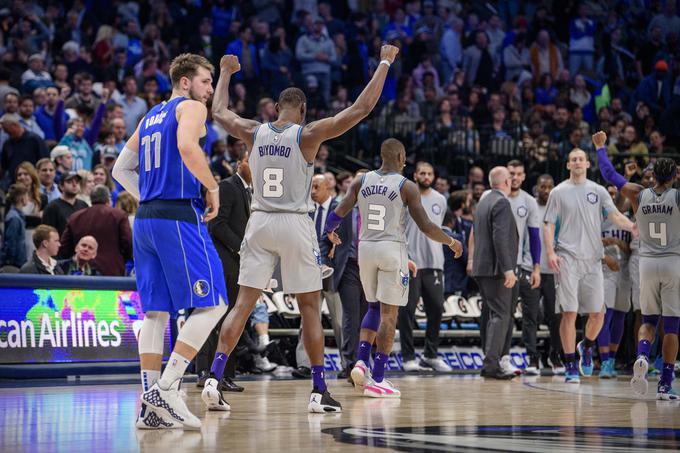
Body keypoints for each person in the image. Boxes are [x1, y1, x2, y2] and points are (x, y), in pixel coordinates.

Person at [202, 44, 399, 414]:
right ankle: (318, 390)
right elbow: (362, 108)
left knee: (243, 304)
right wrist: (385, 62)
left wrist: (226, 71)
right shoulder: (307, 135)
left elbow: (218, 111)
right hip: (293, 222)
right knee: (310, 307)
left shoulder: (253, 131)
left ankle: (213, 379)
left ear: (276, 108)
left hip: (258, 220)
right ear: (303, 110)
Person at [112, 53, 229, 430]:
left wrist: (148, 194)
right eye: (206, 82)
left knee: (156, 313)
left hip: (145, 219)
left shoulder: (149, 116)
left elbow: (119, 169)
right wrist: (212, 186)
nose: (209, 90)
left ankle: (150, 406)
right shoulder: (190, 108)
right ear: (185, 82)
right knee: (214, 304)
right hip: (177, 216)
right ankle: (167, 386)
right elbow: (186, 147)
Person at [325, 138, 462, 397]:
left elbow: (339, 210)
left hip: (365, 249)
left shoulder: (360, 181)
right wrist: (451, 241)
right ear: (400, 157)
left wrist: (328, 232)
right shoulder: (406, 185)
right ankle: (378, 378)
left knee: (373, 307)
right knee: (390, 315)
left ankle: (362, 362)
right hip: (391, 248)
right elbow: (426, 227)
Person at [594, 130, 679, 399]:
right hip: (672, 262)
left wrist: (600, 148)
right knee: (672, 327)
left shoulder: (637, 194)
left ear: (653, 176)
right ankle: (665, 381)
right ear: (675, 176)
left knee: (648, 320)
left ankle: (641, 354)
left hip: (646, 263)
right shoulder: (677, 197)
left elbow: (610, 175)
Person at [543, 147, 636, 384]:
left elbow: (615, 215)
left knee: (597, 315)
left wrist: (632, 227)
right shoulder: (558, 192)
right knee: (569, 313)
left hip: (594, 260)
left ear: (587, 164)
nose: (577, 162)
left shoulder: (597, 190)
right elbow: (548, 225)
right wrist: (551, 252)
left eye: (581, 159)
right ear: (568, 165)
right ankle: (571, 364)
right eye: (573, 159)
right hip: (567, 258)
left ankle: (586, 345)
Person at [195, 148, 253, 394]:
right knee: (219, 317)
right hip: (224, 260)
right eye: (251, 159)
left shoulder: (251, 191)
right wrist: (241, 248)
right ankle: (209, 373)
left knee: (232, 318)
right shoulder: (229, 186)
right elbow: (217, 225)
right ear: (239, 163)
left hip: (238, 262)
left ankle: (224, 375)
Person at [397, 161, 452, 372]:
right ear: (415, 175)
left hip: (435, 263)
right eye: (422, 173)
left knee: (437, 309)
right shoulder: (406, 196)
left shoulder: (440, 199)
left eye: (429, 173)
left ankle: (430, 355)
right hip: (411, 262)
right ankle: (408, 357)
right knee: (407, 311)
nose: (426, 176)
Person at [472, 167, 519, 380]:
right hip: (495, 269)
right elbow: (500, 239)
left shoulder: (483, 202)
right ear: (507, 182)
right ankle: (491, 364)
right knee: (501, 316)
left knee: (493, 316)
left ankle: (490, 361)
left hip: (482, 268)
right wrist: (508, 269)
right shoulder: (501, 202)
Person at [521, 174, 564, 374]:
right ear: (536, 188)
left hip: (554, 271)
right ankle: (532, 358)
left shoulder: (560, 211)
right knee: (530, 317)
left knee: (555, 317)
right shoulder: (530, 208)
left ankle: (555, 356)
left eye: (549, 186)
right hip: (531, 269)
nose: (546, 190)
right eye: (542, 187)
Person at [505, 159, 542, 376]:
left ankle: (532, 359)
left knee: (531, 315)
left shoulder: (529, 201)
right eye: (512, 173)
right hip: (503, 267)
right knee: (505, 314)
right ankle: (503, 356)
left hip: (525, 267)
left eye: (519, 173)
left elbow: (535, 237)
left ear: (524, 176)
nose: (515, 177)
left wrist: (536, 268)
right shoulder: (498, 199)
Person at [597, 186, 632, 379]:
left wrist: (619, 243)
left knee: (620, 316)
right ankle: (604, 362)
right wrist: (607, 245)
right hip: (605, 270)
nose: (612, 197)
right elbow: (590, 242)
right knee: (605, 316)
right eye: (609, 193)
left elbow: (632, 249)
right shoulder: (599, 218)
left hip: (625, 272)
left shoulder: (628, 221)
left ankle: (612, 358)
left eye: (615, 193)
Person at [59, 185, 132, 276]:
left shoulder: (76, 217)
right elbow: (128, 243)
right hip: (112, 271)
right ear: (108, 199)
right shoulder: (119, 215)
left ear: (91, 198)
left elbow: (65, 248)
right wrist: (120, 259)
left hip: (81, 273)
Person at [41, 171, 88, 236]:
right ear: (61, 186)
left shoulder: (83, 205)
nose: (74, 184)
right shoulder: (52, 207)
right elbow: (46, 234)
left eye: (77, 182)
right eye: (69, 182)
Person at [0, 184, 29, 270]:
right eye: (27, 195)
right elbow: (11, 243)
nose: (28, 198)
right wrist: (10, 262)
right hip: (14, 264)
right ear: (22, 198)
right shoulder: (14, 218)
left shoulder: (18, 216)